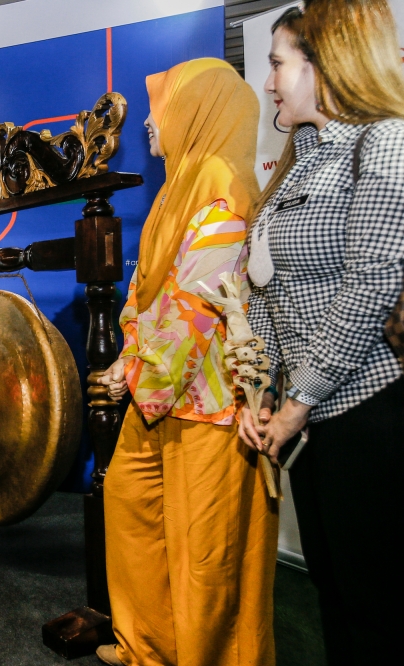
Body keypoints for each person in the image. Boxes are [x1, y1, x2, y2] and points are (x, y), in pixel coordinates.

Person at [96, 59, 278, 666]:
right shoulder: (180, 186)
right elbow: (146, 287)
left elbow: (198, 302)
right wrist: (129, 351)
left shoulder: (224, 185)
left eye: (161, 106)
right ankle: (148, 647)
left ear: (196, 112)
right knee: (129, 502)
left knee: (204, 552)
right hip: (158, 386)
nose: (148, 121)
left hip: (209, 402)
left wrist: (136, 370)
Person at [240, 2, 404, 664]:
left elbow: (370, 286)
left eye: (278, 63)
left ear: (324, 63)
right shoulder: (298, 161)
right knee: (335, 596)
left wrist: (296, 401)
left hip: (370, 414)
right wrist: (265, 393)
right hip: (311, 420)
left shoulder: (386, 141)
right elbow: (266, 286)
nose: (270, 81)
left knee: (377, 608)